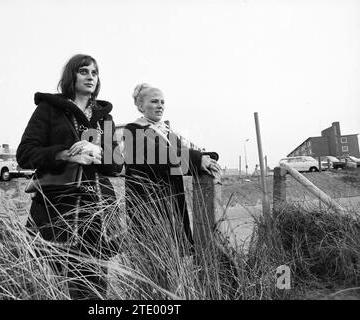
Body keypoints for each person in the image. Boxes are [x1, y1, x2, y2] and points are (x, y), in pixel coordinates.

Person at [16, 54, 122, 299]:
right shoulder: (50, 109)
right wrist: (66, 154)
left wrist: (99, 152)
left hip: (98, 211)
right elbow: (25, 153)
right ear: (71, 75)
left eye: (94, 73)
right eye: (84, 71)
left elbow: (115, 166)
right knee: (53, 280)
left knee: (94, 285)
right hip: (57, 208)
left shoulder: (103, 116)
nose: (90, 77)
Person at [123, 83, 221, 252]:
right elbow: (157, 155)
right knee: (153, 258)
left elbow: (180, 159)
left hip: (173, 204)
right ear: (140, 106)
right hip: (149, 206)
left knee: (176, 258)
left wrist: (207, 158)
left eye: (162, 101)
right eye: (154, 101)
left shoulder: (167, 133)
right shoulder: (133, 130)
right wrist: (197, 160)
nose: (160, 105)